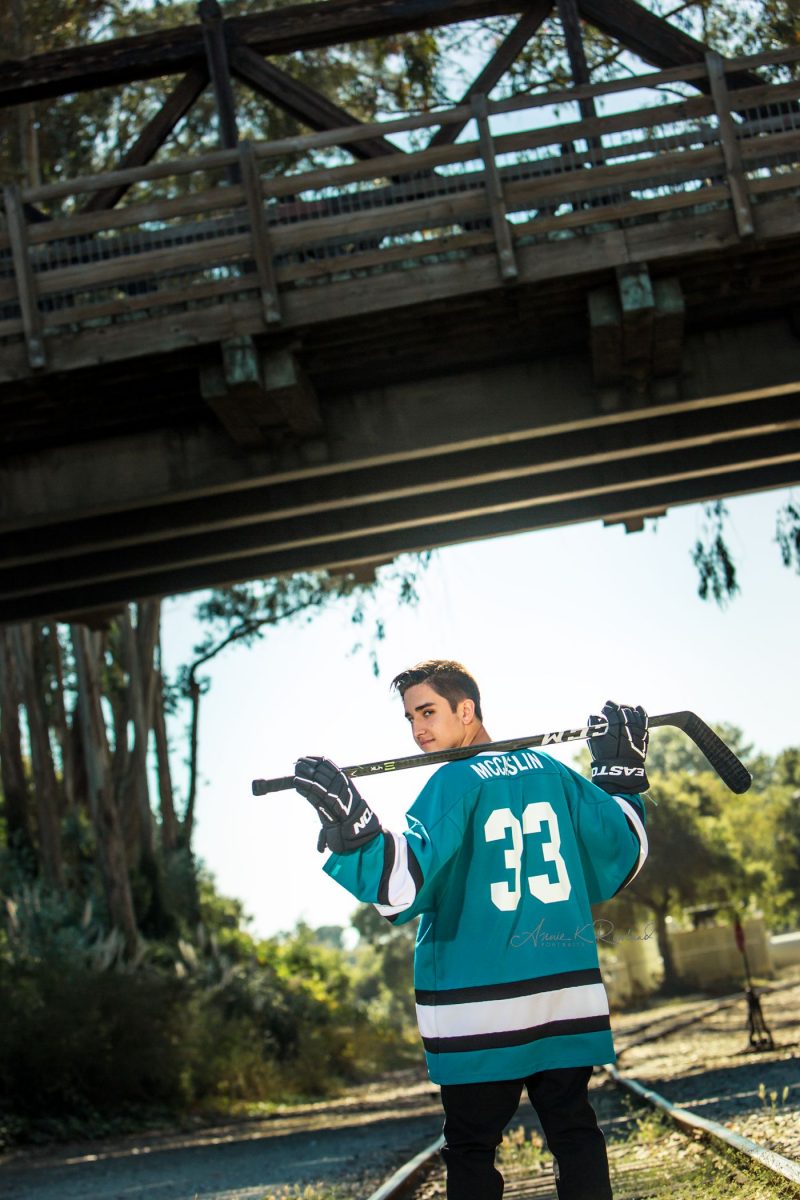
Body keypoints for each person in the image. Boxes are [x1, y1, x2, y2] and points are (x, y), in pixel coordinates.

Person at [293, 659, 649, 1200]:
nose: (418, 730)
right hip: (565, 997)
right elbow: (623, 850)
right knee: (575, 1131)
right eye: (411, 717)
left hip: (478, 1008)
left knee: (470, 1149)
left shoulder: (453, 782)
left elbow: (399, 885)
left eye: (428, 711)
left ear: (468, 711)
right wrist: (620, 779)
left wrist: (355, 832)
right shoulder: (550, 771)